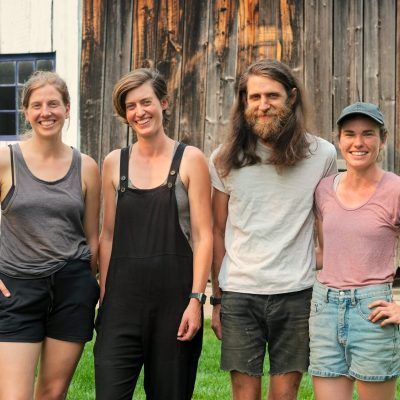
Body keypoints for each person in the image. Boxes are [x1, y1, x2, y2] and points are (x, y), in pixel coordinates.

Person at [209, 58, 337, 400]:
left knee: (285, 395)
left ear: (291, 98)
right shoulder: (224, 159)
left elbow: (329, 227)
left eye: (272, 96)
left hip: (296, 293)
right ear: (244, 102)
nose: (263, 106)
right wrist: (217, 299)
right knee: (244, 395)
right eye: (254, 97)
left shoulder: (321, 154)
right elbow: (217, 230)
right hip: (240, 292)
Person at [94, 68, 212, 399]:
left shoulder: (191, 160)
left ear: (163, 102)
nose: (139, 112)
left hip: (175, 305)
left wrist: (195, 301)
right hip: (121, 304)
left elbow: (204, 237)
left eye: (146, 102)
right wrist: (106, 295)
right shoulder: (113, 163)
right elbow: (107, 235)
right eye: (131, 106)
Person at [0, 71, 100, 399]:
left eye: (54, 104)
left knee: (53, 393)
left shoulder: (86, 167)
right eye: (38, 105)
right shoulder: (6, 160)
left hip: (72, 287)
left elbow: (93, 236)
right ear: (26, 112)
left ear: (67, 109)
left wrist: (91, 283)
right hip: (18, 288)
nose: (47, 112)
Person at [310, 102, 400, 400]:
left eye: (368, 134)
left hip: (372, 313)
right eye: (350, 134)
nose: (358, 143)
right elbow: (326, 251)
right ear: (339, 139)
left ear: (382, 139)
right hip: (325, 309)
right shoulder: (323, 189)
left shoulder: (395, 190)